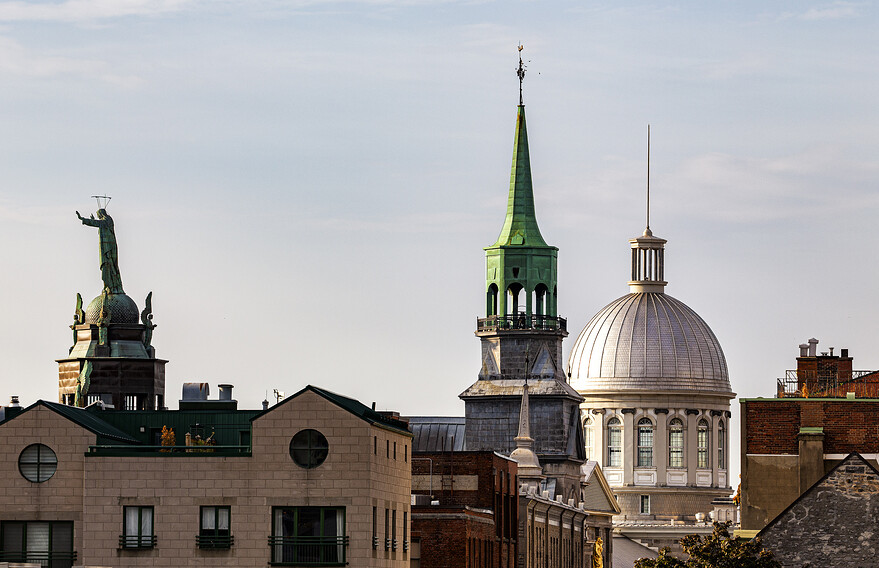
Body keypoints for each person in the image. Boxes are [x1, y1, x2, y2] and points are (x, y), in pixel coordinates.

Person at [77, 209, 124, 294]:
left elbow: (97, 223)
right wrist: (93, 220)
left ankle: (111, 286)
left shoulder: (107, 221)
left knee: (108, 265)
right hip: (107, 247)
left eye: (99, 215)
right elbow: (98, 223)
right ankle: (110, 286)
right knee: (109, 266)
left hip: (108, 248)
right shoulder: (106, 221)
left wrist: (83, 219)